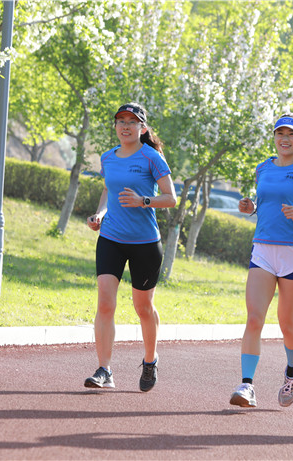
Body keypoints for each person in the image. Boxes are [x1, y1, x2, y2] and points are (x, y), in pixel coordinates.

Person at [230, 113, 293, 408]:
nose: (285, 139)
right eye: (280, 134)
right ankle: (247, 385)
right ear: (274, 137)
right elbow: (265, 205)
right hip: (263, 250)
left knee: (287, 324)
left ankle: (292, 371)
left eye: (291, 134)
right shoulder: (263, 168)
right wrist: (250, 207)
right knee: (254, 318)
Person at [84, 102, 176, 392]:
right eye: (121, 121)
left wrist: (143, 201)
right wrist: (100, 214)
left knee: (143, 307)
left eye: (132, 122)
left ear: (142, 128)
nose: (125, 126)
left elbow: (171, 198)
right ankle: (104, 369)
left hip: (145, 243)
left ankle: (150, 360)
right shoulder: (108, 157)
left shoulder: (152, 157)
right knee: (105, 303)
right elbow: (108, 190)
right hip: (111, 239)